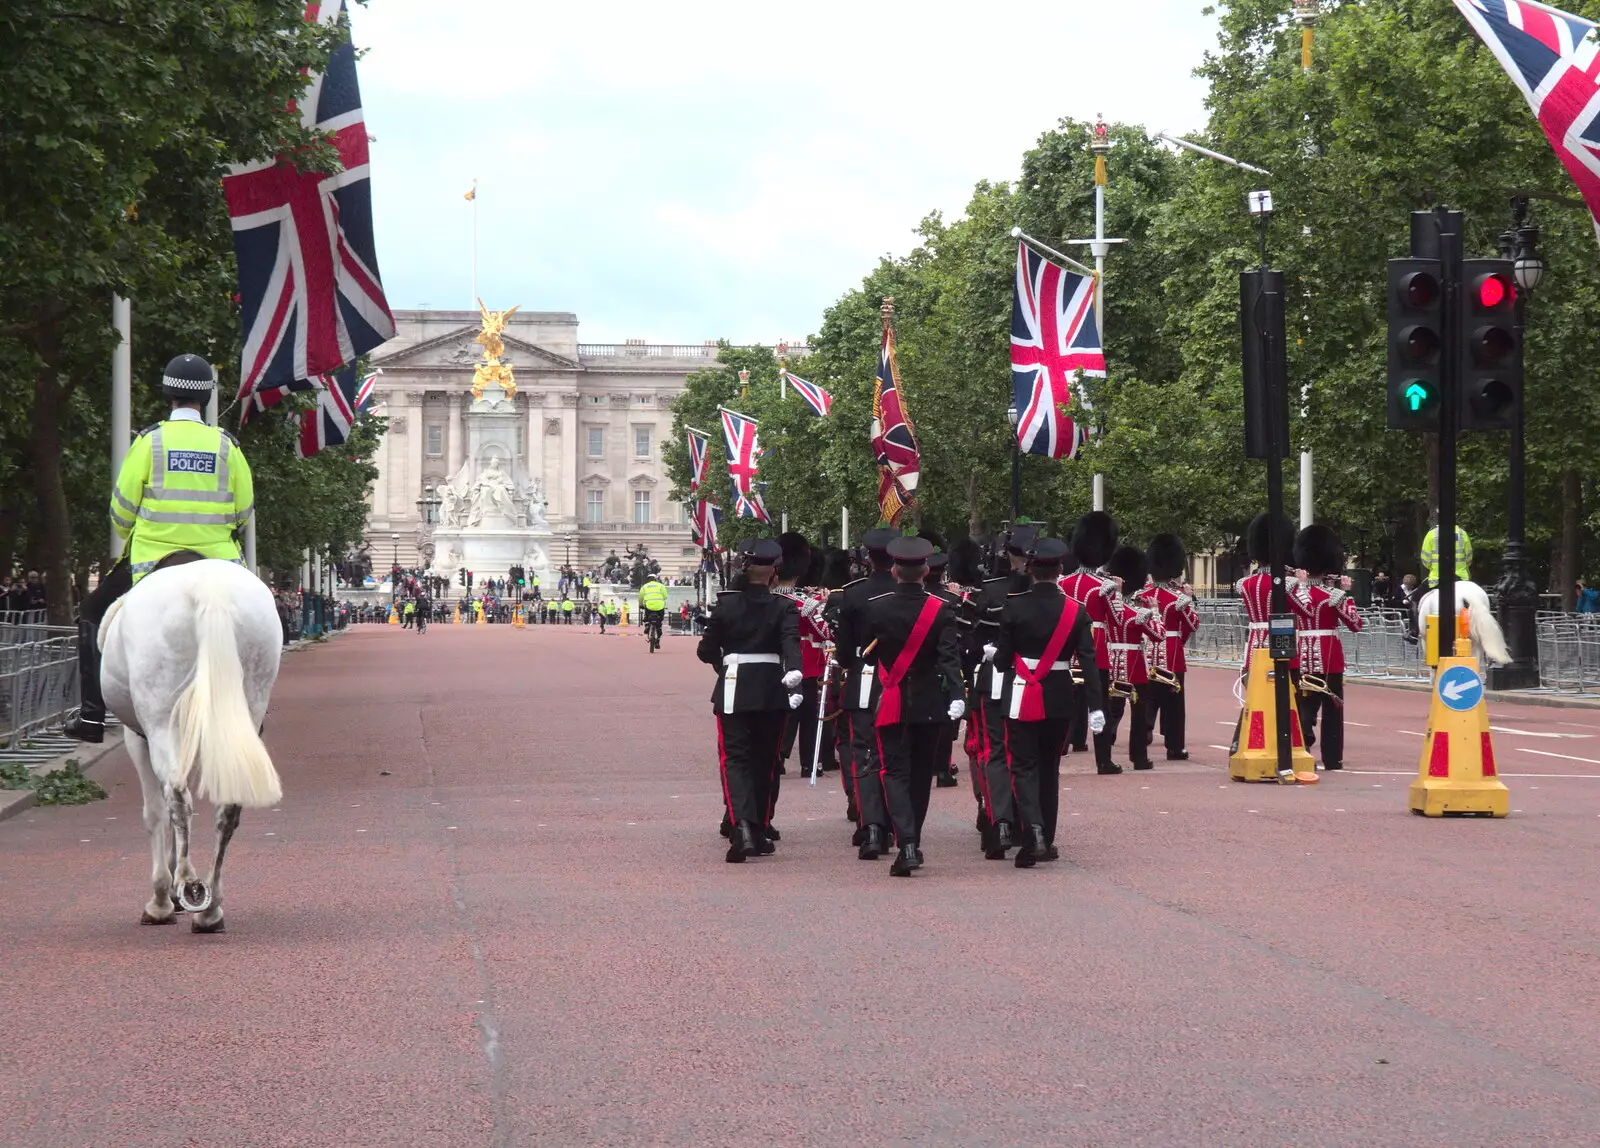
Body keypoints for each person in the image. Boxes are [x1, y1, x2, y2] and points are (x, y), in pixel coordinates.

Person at [68, 353, 254, 742]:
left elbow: (120, 508)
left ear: (168, 393)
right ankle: (256, 709)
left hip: (152, 560)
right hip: (218, 558)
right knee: (256, 617)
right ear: (205, 397)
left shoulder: (148, 441)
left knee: (91, 610)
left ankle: (91, 716)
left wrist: (132, 531)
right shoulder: (226, 445)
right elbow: (243, 510)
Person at [991, 537, 1104, 866]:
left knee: (1023, 767)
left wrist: (993, 656)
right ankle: (1047, 839)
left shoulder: (1015, 607)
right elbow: (1089, 661)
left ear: (1031, 569)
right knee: (1049, 770)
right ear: (1059, 571)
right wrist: (1096, 706)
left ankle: (1034, 834)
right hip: (1058, 695)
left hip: (1023, 693)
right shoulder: (1076, 611)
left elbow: (1001, 661)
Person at [861, 536, 965, 877]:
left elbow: (865, 653)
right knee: (921, 776)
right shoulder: (942, 608)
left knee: (893, 772)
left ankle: (905, 843)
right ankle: (912, 841)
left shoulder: (876, 607)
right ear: (925, 571)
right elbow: (949, 659)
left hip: (890, 699)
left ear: (894, 571)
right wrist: (958, 697)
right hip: (930, 701)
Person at [697, 539, 801, 863]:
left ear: (745, 567)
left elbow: (705, 650)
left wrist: (724, 664)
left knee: (735, 760)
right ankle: (758, 828)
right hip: (772, 688)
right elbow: (791, 646)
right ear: (774, 573)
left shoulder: (727, 605)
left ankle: (741, 827)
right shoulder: (785, 607)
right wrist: (794, 671)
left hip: (734, 688)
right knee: (765, 762)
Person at [827, 529, 899, 857]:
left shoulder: (853, 595)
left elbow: (844, 651)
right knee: (897, 756)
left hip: (863, 681)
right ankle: (895, 824)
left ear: (869, 558)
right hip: (900, 683)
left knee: (864, 753)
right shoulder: (908, 591)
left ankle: (871, 827)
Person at [968, 524, 1038, 855]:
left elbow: (973, 639)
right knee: (1025, 756)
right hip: (1033, 681)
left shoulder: (992, 591)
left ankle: (1000, 824)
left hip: (994, 678)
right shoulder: (1045, 594)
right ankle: (1029, 825)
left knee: (994, 753)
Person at [1291, 525, 1363, 771]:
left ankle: (1302, 748)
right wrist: (1346, 594)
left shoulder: (1294, 593)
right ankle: (1332, 757)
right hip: (1330, 655)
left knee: (1305, 706)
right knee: (1333, 710)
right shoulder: (1332, 595)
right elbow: (1355, 624)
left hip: (1302, 655)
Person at [1060, 513, 1118, 766]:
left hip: (1065, 645)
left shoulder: (1064, 582)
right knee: (1099, 701)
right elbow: (1115, 620)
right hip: (1096, 647)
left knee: (1067, 698)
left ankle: (1063, 746)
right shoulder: (1102, 586)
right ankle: (1103, 760)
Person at [1099, 545, 1164, 772]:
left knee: (1113, 710)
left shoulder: (1107, 609)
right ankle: (1139, 757)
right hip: (1135, 663)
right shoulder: (1138, 613)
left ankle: (1105, 751)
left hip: (1112, 660)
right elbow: (1158, 635)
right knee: (1138, 713)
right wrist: (1155, 611)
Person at [1138, 534, 1198, 762]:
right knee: (1174, 703)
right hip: (1172, 652)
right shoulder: (1177, 598)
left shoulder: (1140, 596)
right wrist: (1188, 602)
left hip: (1145, 652)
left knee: (1146, 697)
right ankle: (1174, 747)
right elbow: (1192, 625)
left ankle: (1142, 737)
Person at [638, 571, 669, 639]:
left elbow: (640, 598)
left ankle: (647, 625)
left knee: (646, 616)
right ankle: (659, 628)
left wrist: (640, 605)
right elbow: (665, 596)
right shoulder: (661, 586)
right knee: (660, 619)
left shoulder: (644, 587)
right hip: (659, 606)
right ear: (656, 579)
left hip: (649, 605)